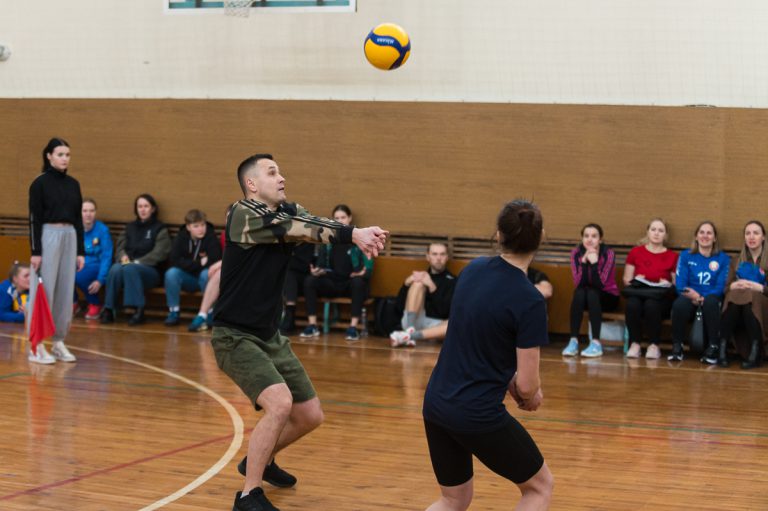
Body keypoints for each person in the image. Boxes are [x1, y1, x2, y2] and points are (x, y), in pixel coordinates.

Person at [210, 154, 386, 511]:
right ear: (251, 184)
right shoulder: (242, 214)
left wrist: (355, 236)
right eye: (272, 172)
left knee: (310, 416)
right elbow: (299, 229)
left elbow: (312, 222)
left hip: (269, 335)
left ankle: (259, 460)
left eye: (281, 172)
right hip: (234, 336)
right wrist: (353, 234)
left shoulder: (287, 211)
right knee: (280, 404)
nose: (282, 177)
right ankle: (248, 496)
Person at [422, 199, 553, 511]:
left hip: (436, 404)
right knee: (539, 487)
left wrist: (515, 382)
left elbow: (476, 338)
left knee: (454, 499)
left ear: (498, 234)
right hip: (476, 413)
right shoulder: (530, 301)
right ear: (541, 238)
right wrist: (529, 394)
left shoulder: (473, 270)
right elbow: (527, 386)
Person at [27, 137, 84, 364]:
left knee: (64, 291)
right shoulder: (39, 183)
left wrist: (80, 251)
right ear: (49, 156)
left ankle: (58, 340)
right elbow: (34, 219)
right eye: (60, 154)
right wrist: (36, 251)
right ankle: (36, 345)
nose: (64, 159)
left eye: (67, 155)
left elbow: (78, 220)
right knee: (44, 291)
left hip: (70, 236)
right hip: (48, 236)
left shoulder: (73, 184)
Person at [299, 204, 374, 341]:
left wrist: (362, 273)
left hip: (350, 283)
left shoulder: (359, 240)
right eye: (337, 218)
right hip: (332, 283)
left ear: (349, 218)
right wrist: (317, 271)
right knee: (310, 280)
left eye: (343, 217)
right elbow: (321, 265)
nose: (340, 221)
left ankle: (352, 328)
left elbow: (368, 269)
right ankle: (312, 325)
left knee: (358, 283)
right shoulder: (328, 240)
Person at [100, 194, 171, 326]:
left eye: (146, 206)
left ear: (153, 209)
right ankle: (108, 309)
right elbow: (120, 247)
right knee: (115, 268)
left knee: (130, 268)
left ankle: (138, 310)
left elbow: (160, 253)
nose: (142, 209)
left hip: (151, 271)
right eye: (140, 206)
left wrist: (138, 262)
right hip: (127, 266)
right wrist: (122, 256)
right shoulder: (130, 227)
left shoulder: (160, 228)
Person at [669, 221, 730, 362]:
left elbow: (721, 286)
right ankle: (677, 346)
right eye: (701, 232)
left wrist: (703, 297)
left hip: (711, 298)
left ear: (715, 238)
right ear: (696, 237)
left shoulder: (723, 258)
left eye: (709, 233)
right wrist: (695, 297)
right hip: (690, 296)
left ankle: (713, 347)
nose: (705, 236)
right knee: (679, 304)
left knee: (711, 302)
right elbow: (680, 284)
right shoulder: (686, 255)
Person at [623, 218, 679, 359]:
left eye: (660, 230)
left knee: (651, 305)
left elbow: (676, 283)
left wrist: (667, 283)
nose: (656, 233)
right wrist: (637, 279)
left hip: (660, 297)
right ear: (647, 232)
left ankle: (654, 345)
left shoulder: (673, 256)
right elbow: (626, 280)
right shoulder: (636, 252)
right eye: (653, 229)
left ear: (665, 235)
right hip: (639, 293)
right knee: (632, 304)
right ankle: (635, 344)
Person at [562, 223, 619, 358]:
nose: (589, 239)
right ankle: (573, 341)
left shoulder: (608, 253)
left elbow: (600, 284)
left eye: (594, 236)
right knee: (579, 292)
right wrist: (583, 262)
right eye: (586, 236)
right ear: (582, 239)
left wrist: (594, 263)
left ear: (600, 239)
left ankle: (596, 343)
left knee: (593, 292)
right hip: (586, 297)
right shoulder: (576, 253)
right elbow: (579, 284)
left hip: (608, 297)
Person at [717, 220, 768, 370]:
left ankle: (755, 350)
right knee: (735, 294)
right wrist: (733, 285)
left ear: (763, 237)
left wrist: (760, 287)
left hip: (763, 304)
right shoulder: (735, 261)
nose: (751, 237)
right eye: (748, 233)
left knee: (751, 296)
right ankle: (723, 348)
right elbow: (725, 289)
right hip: (739, 308)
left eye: (756, 233)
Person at [389, 242, 456, 347]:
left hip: (436, 327)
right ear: (428, 257)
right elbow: (398, 308)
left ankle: (409, 336)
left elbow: (444, 312)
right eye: (434, 254)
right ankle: (410, 330)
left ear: (447, 257)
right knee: (418, 284)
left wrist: (432, 286)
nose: (438, 258)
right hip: (413, 321)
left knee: (455, 325)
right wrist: (406, 284)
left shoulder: (453, 281)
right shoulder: (421, 277)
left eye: (442, 254)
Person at [163, 209, 222, 326]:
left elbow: (215, 260)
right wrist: (199, 263)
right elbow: (174, 260)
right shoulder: (181, 237)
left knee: (206, 273)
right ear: (188, 227)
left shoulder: (211, 237)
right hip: (188, 279)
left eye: (203, 225)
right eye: (196, 226)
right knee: (171, 273)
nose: (201, 229)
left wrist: (188, 263)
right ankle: (174, 311)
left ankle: (210, 312)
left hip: (204, 279)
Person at [74, 198, 113, 320]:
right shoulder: (74, 228)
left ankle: (95, 303)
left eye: (91, 211)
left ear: (95, 212)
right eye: (84, 211)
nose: (88, 214)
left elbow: (107, 256)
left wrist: (100, 279)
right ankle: (73, 302)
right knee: (62, 272)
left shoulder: (102, 230)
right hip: (79, 263)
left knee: (79, 276)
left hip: (97, 265)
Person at [279, 243, 315, 334]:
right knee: (289, 276)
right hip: (293, 279)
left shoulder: (307, 243)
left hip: (308, 278)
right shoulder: (290, 242)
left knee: (289, 274)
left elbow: (305, 264)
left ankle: (289, 317)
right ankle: (289, 316)